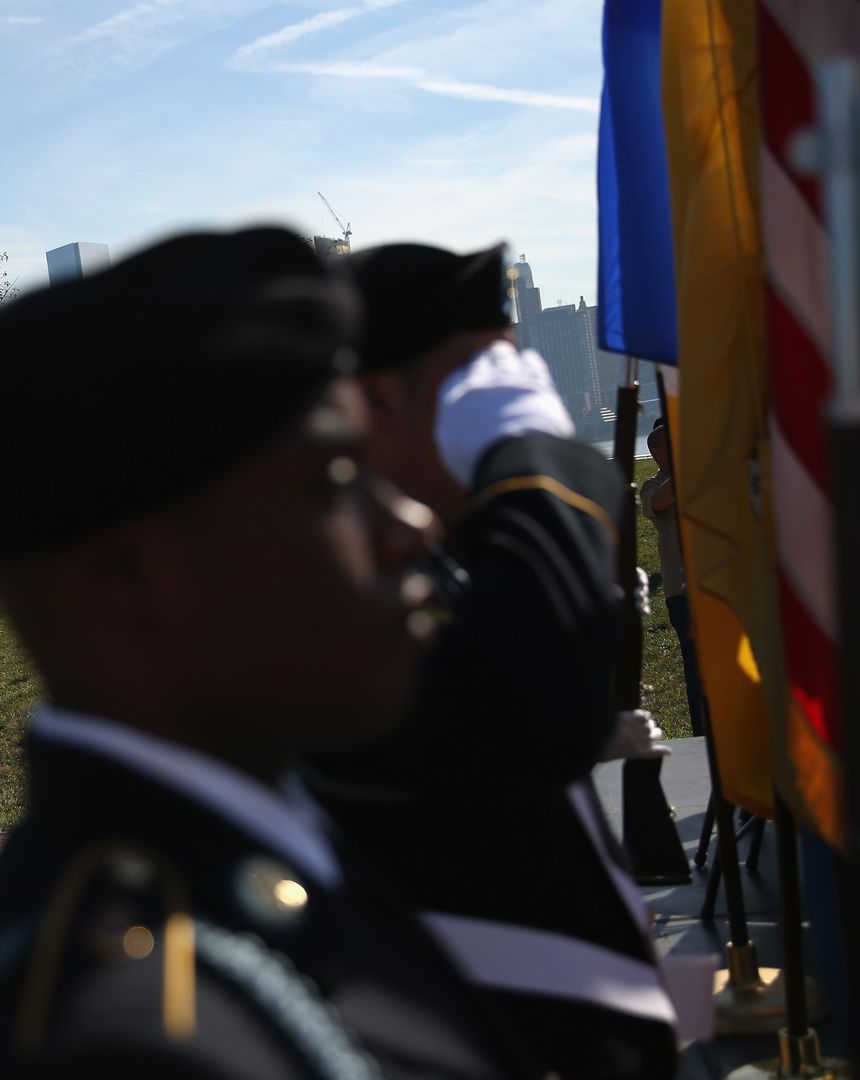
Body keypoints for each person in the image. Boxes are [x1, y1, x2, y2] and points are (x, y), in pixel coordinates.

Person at [0, 228, 537, 1078]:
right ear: (127, 576)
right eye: (331, 483)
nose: (411, 527)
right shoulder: (131, 1045)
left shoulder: (252, 849)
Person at [301, 242, 680, 1079]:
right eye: (481, 380)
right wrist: (538, 463)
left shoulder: (445, 558)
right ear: (378, 401)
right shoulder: (336, 602)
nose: (518, 395)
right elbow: (532, 698)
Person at [641, 417, 706, 738]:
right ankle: (702, 732)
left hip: (710, 585)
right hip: (681, 592)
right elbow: (658, 502)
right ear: (658, 456)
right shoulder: (654, 485)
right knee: (696, 670)